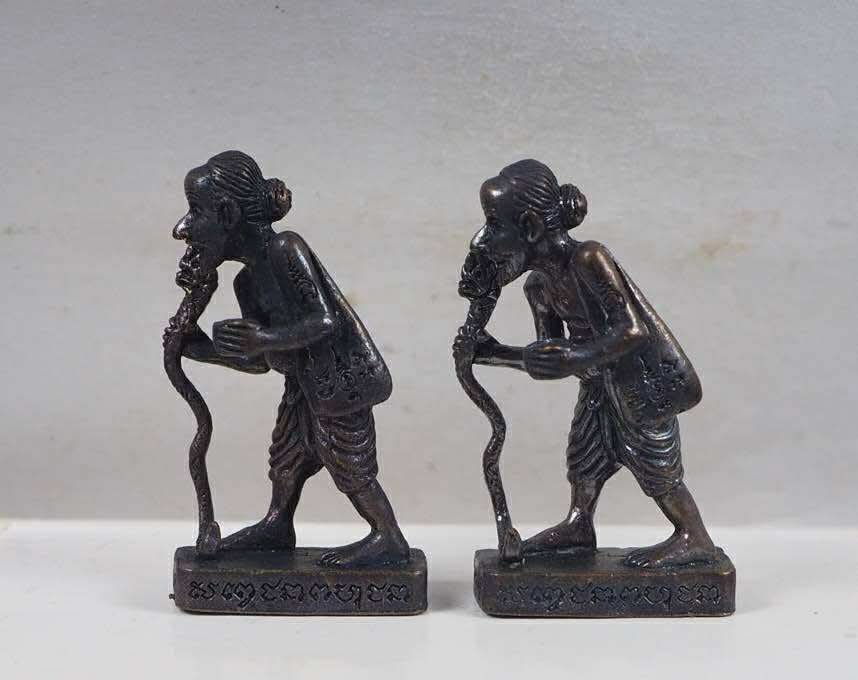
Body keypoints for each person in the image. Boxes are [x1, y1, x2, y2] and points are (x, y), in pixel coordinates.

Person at [466, 159, 718, 568]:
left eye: (493, 224)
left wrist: (578, 356)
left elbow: (632, 330)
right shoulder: (538, 287)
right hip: (599, 388)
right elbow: (549, 359)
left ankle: (694, 537)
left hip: (638, 386)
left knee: (655, 465)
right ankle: (579, 524)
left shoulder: (588, 258)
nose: (482, 238)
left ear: (530, 227)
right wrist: (491, 352)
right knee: (585, 458)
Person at [171, 150, 409, 567]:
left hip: (339, 384)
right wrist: (200, 348)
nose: (183, 227)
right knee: (287, 458)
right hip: (302, 386)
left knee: (348, 463)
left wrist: (263, 336)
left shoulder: (285, 248)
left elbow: (325, 320)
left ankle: (388, 538)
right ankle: (278, 523)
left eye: (196, 210)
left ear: (227, 213)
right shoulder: (246, 282)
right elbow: (260, 360)